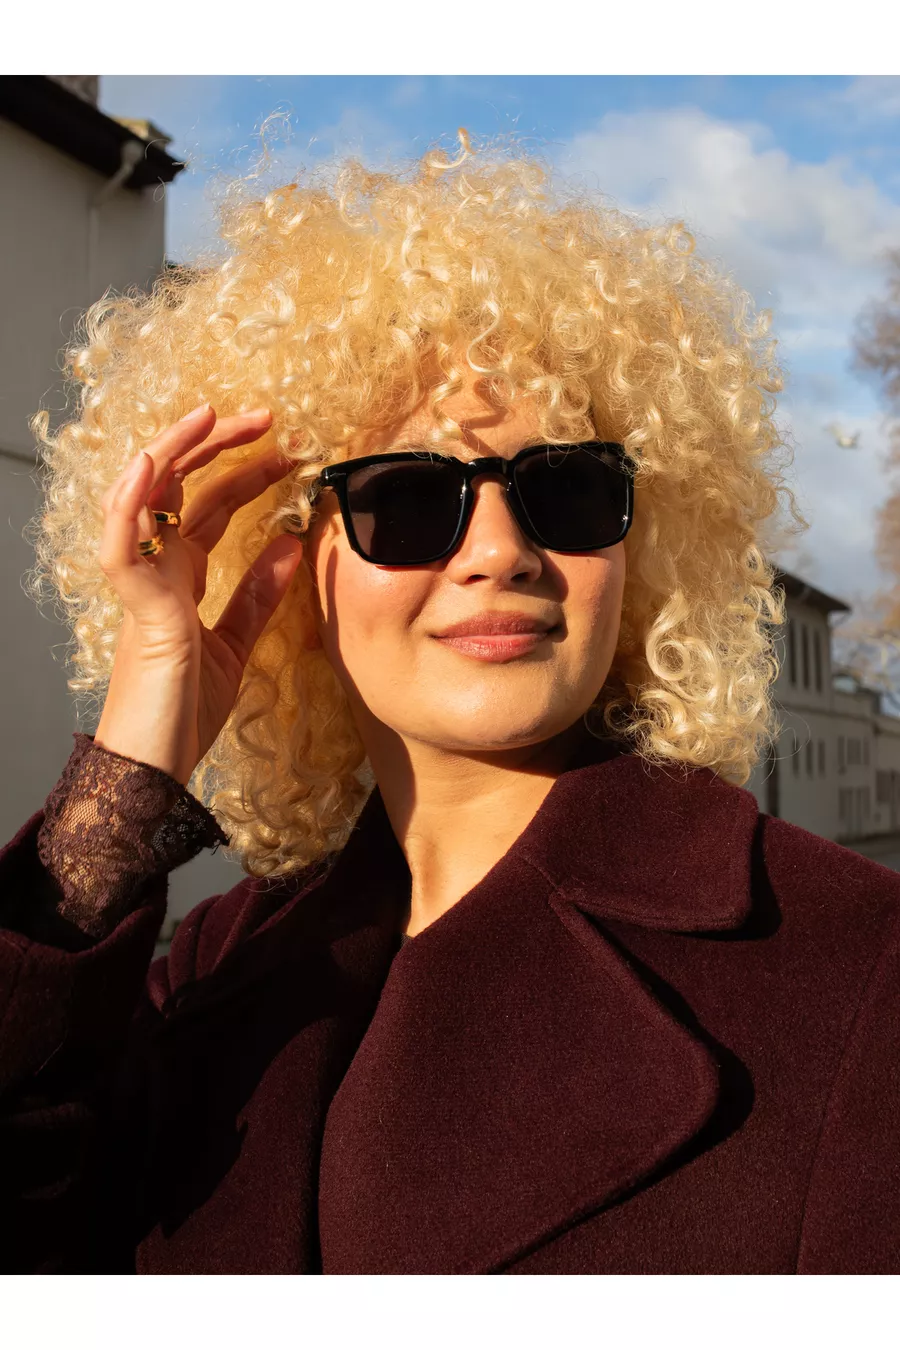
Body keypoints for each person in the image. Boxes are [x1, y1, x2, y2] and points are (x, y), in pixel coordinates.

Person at [1, 129, 898, 1275]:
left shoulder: (857, 964)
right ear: (294, 561)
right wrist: (136, 752)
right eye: (409, 499)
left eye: (568, 489)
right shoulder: (222, 963)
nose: (501, 552)